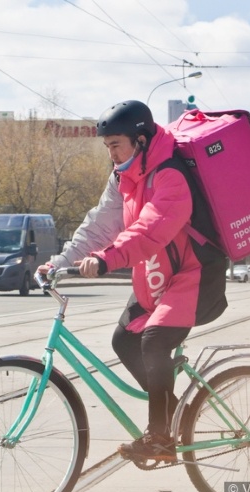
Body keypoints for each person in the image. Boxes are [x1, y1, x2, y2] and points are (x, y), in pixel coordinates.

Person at [71, 100, 225, 462]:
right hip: (159, 278)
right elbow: (99, 225)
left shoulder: (170, 175)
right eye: (106, 146)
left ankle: (160, 437)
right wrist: (58, 262)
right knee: (124, 340)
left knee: (154, 342)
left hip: (194, 275)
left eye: (115, 145)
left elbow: (149, 229)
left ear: (140, 141)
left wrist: (106, 259)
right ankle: (173, 414)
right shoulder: (125, 179)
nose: (111, 155)